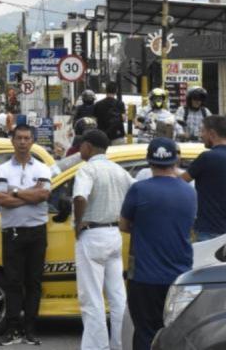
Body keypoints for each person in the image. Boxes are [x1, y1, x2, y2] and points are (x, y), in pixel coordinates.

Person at [120, 138, 197, 350]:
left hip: (144, 277)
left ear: (149, 161)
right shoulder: (189, 192)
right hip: (179, 276)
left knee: (145, 332)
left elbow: (124, 224)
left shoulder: (139, 190)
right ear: (176, 160)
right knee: (174, 333)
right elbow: (189, 225)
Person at [72, 129, 133, 350]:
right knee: (118, 297)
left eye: (81, 145)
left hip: (92, 235)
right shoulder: (119, 171)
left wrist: (78, 222)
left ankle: (96, 347)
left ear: (88, 146)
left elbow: (80, 196)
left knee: (92, 299)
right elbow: (135, 193)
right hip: (114, 235)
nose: (80, 149)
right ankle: (120, 345)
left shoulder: (87, 170)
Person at [0, 125, 53, 346]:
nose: (22, 142)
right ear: (12, 140)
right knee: (13, 282)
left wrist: (16, 192)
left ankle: (30, 329)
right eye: (19, 138)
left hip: (37, 231)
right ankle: (12, 329)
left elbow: (44, 194)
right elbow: (0, 199)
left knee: (34, 282)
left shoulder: (42, 168)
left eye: (27, 138)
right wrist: (31, 195)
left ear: (32, 141)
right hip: (12, 232)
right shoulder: (3, 170)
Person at [182, 115, 226, 241]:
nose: (201, 136)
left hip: (208, 232)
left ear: (212, 133)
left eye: (203, 131)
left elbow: (179, 183)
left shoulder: (206, 158)